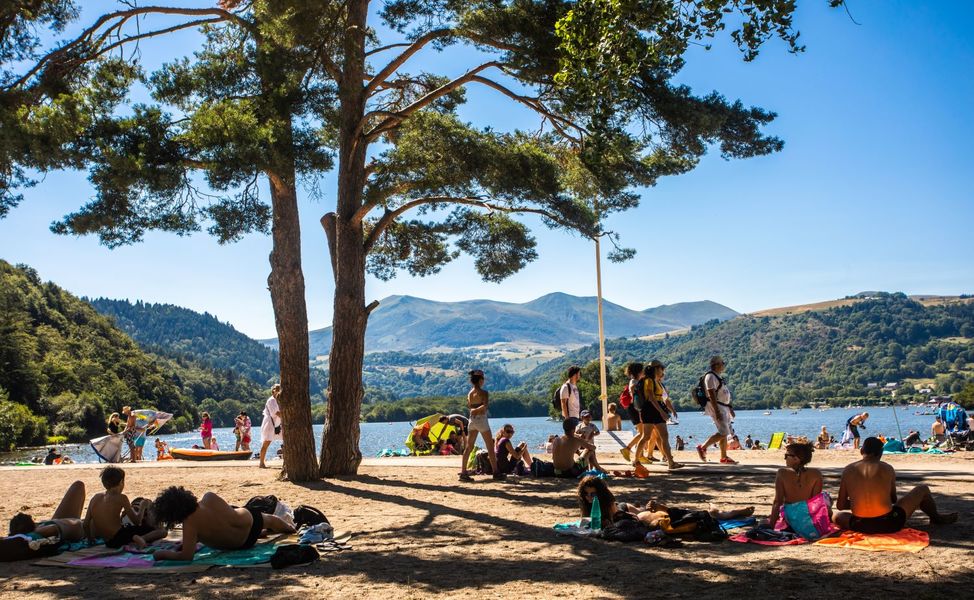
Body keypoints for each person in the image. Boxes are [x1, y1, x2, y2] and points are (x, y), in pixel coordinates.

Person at [833, 437, 957, 533]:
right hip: (889, 523)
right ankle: (936, 518)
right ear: (881, 453)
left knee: (836, 516)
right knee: (922, 489)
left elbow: (840, 505)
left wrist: (858, 501)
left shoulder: (848, 470)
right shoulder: (887, 468)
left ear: (861, 451)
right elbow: (892, 499)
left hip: (860, 524)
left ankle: (936, 518)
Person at [150, 487, 295, 561]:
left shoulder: (189, 524)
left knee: (265, 521)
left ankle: (273, 530)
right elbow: (222, 520)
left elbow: (186, 556)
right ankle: (290, 528)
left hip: (243, 543)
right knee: (269, 520)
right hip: (250, 520)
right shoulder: (209, 497)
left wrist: (162, 554)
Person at [577, 476, 754, 527]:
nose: (590, 498)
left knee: (674, 515)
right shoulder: (587, 504)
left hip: (627, 511)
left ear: (601, 493)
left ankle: (727, 512)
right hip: (629, 511)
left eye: (594, 494)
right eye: (587, 495)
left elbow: (620, 519)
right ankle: (715, 510)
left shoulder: (607, 503)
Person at [83, 466, 166, 549]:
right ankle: (140, 538)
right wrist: (143, 506)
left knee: (128, 530)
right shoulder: (121, 498)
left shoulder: (95, 498)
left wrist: (90, 539)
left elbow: (86, 524)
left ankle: (135, 538)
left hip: (108, 542)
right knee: (162, 531)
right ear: (121, 482)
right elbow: (137, 521)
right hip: (121, 536)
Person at [633, 360, 682, 470]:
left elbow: (663, 398)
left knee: (664, 436)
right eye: (661, 368)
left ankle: (670, 462)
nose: (662, 370)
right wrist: (662, 412)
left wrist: (670, 410)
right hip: (649, 409)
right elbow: (651, 398)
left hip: (656, 408)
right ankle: (636, 460)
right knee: (646, 436)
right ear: (656, 369)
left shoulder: (657, 382)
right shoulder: (649, 380)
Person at [459, 370, 504, 481]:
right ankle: (496, 472)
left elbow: (470, 407)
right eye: (483, 379)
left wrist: (473, 410)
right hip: (481, 420)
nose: (484, 381)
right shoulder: (484, 393)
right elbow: (485, 406)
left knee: (469, 447)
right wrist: (476, 410)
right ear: (480, 380)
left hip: (472, 420)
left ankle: (463, 472)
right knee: (490, 446)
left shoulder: (470, 393)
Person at [7, 481, 87, 544]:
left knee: (78, 485)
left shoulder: (35, 530)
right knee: (81, 488)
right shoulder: (37, 533)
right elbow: (53, 529)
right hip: (80, 527)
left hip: (60, 523)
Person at [767, 442, 824, 526]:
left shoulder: (782, 473)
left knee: (763, 522)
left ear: (796, 459)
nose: (785, 459)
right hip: (807, 517)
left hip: (790, 516)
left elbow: (778, 501)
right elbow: (815, 502)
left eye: (786, 456)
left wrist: (771, 525)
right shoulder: (816, 474)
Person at [697, 356, 737, 464]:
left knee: (724, 432)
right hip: (718, 407)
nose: (724, 364)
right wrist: (717, 411)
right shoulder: (710, 376)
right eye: (722, 362)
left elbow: (722, 393)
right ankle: (703, 447)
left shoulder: (717, 376)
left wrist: (730, 407)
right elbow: (711, 394)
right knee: (724, 432)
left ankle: (724, 457)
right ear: (716, 365)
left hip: (723, 407)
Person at [620, 362, 647, 464]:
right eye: (642, 370)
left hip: (636, 407)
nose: (643, 372)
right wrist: (635, 398)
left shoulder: (637, 380)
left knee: (642, 432)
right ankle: (627, 449)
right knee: (642, 433)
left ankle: (640, 455)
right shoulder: (634, 381)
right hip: (635, 408)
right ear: (639, 372)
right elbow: (632, 390)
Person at [259, 384, 283, 468]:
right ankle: (261, 462)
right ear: (273, 391)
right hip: (270, 424)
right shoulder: (271, 400)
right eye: (277, 390)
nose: (278, 392)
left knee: (285, 439)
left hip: (277, 423)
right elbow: (276, 413)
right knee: (266, 442)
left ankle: (286, 460)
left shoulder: (277, 400)